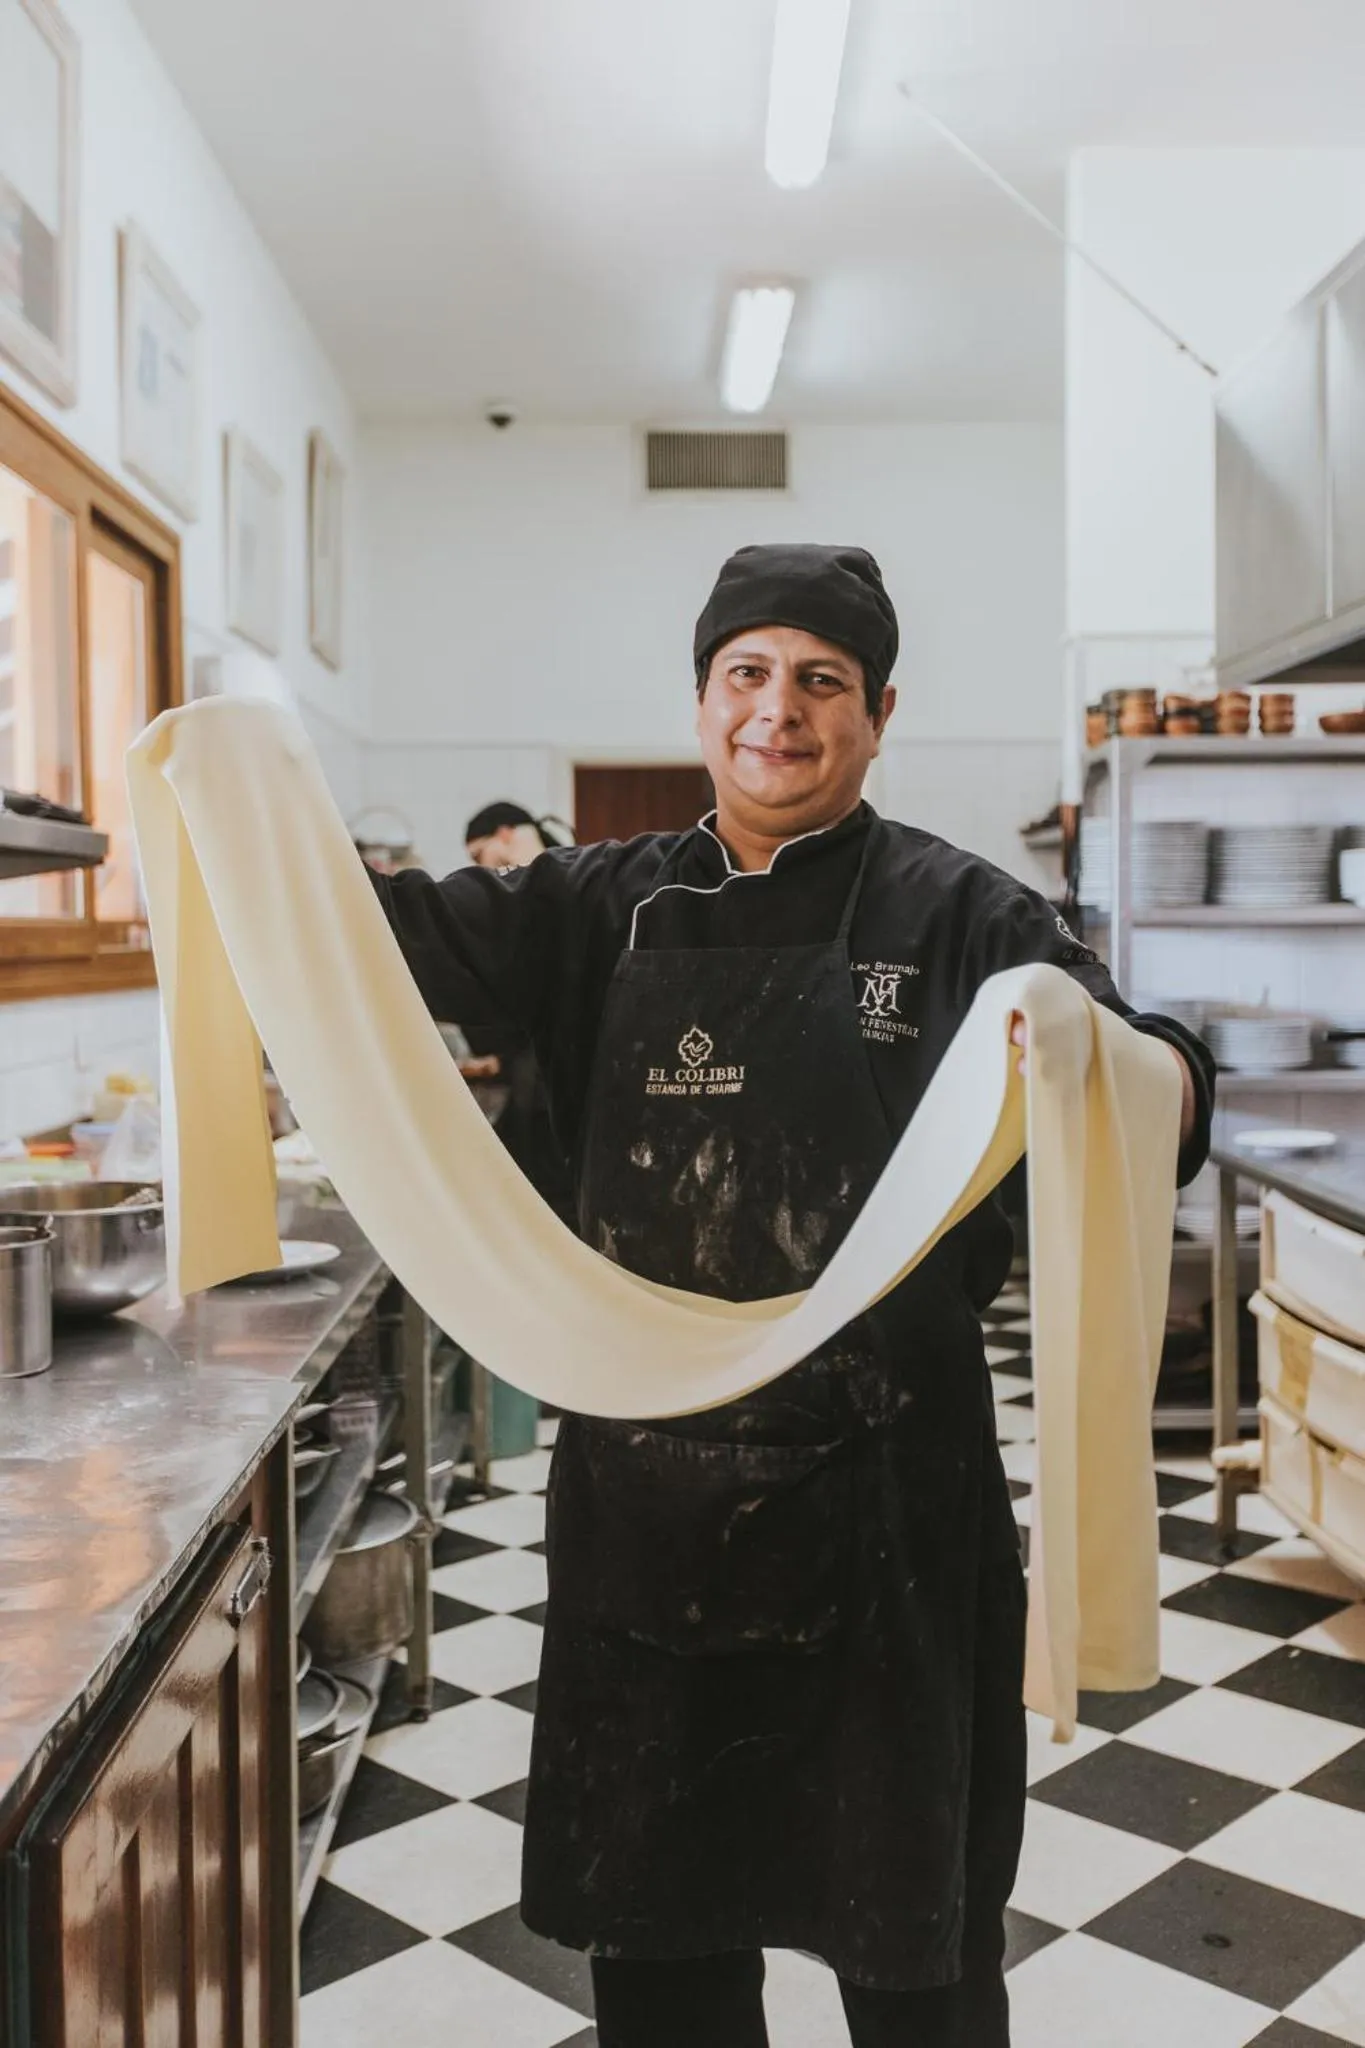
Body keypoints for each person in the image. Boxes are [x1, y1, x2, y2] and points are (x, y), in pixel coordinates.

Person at [369, 543, 1213, 2048]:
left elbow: (1166, 1079)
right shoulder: (584, 906)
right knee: (664, 1961)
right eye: (748, 674)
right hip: (651, 1506)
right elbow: (360, 941)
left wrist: (1093, 1062)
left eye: (823, 680)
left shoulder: (963, 918)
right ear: (702, 702)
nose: (782, 710)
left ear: (879, 714)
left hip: (893, 1499)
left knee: (921, 1962)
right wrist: (224, 823)